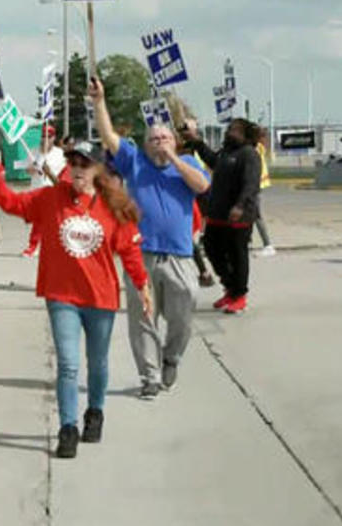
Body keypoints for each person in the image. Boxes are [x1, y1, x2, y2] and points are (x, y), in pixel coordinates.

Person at [0, 145, 152, 459]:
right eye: (73, 163)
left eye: (84, 164)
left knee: (97, 364)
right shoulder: (50, 198)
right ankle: (68, 428)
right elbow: (8, 202)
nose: (77, 169)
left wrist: (142, 286)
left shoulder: (112, 204)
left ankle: (95, 413)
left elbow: (129, 250)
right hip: (62, 296)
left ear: (98, 169)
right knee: (69, 365)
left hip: (100, 298)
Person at [91, 77, 210, 399]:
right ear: (144, 144)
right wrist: (99, 102)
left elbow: (202, 187)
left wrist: (172, 158)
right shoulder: (135, 162)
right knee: (143, 318)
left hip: (179, 256)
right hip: (142, 255)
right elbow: (109, 136)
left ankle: (171, 357)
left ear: (173, 140)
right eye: (153, 138)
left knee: (183, 314)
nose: (158, 141)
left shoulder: (185, 163)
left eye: (164, 137)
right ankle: (150, 377)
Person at [181, 118, 261, 314]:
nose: (231, 133)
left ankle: (239, 295)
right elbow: (212, 160)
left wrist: (240, 206)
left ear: (246, 135)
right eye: (230, 129)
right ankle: (230, 288)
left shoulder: (249, 154)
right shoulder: (226, 152)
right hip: (218, 212)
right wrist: (196, 141)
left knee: (237, 255)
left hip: (239, 215)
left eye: (236, 130)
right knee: (211, 248)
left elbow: (251, 185)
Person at [23, 126, 68, 258]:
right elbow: (27, 170)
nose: (45, 140)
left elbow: (64, 172)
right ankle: (33, 246)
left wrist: (49, 172)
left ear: (53, 138)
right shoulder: (33, 152)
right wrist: (36, 165)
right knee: (39, 221)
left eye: (48, 137)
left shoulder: (60, 154)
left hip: (53, 190)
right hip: (37, 191)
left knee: (56, 221)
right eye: (43, 137)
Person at [254, 137, 275, 257]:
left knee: (256, 215)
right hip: (258, 185)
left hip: (255, 185)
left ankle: (268, 245)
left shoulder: (255, 149)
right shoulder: (258, 148)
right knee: (252, 215)